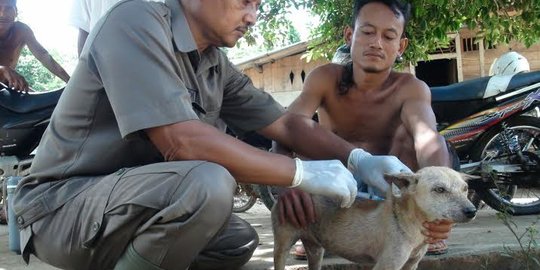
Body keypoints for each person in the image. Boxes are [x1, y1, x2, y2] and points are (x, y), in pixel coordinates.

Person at [12, 0, 413, 269]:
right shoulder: (134, 21)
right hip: (59, 209)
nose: (253, 17)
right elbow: (181, 141)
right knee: (207, 183)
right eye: (245, 1)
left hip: (120, 208)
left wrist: (358, 159)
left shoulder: (213, 64)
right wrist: (299, 174)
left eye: (258, 5)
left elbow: (287, 124)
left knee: (233, 240)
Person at [274, 0, 454, 259]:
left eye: (389, 36)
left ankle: (420, 230)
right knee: (305, 130)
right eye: (367, 32)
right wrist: (286, 184)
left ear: (401, 46)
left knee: (412, 135)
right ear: (350, 36)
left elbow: (428, 138)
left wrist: (441, 201)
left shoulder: (411, 88)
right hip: (335, 195)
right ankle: (312, 228)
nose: (376, 43)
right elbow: (285, 127)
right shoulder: (325, 79)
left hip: (388, 197)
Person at [0, 0, 70, 92]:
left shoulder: (22, 31)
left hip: (8, 88)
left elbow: (44, 56)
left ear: (16, 12)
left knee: (44, 103)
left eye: (8, 8)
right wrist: (2, 69)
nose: (2, 14)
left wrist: (71, 83)